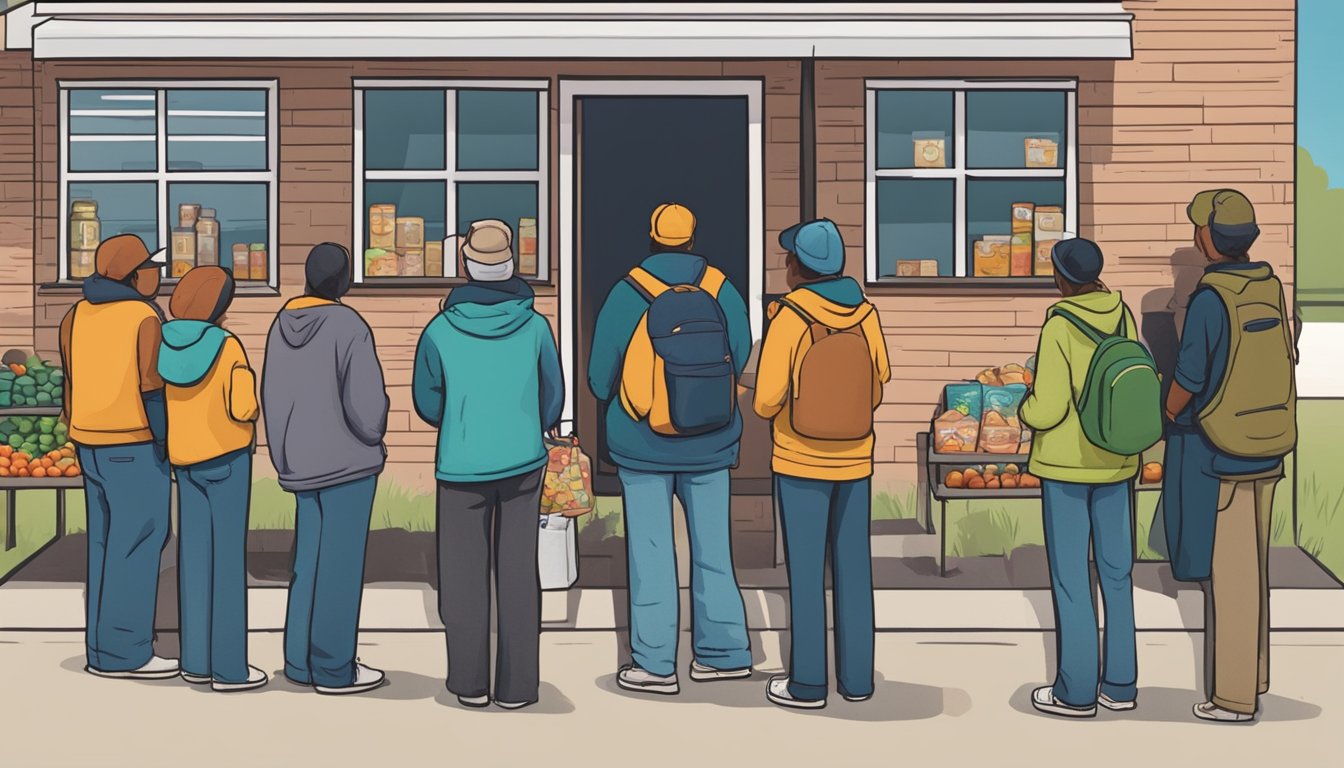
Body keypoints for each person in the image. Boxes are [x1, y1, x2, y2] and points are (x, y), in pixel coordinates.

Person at [588, 202, 753, 694]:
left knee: (652, 553)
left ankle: (656, 665)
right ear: (693, 236)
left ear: (652, 236)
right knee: (714, 551)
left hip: (642, 446)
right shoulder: (722, 288)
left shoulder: (626, 293)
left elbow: (599, 380)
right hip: (711, 440)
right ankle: (724, 654)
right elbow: (741, 358)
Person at [413, 220, 564, 710]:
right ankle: (518, 687)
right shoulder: (538, 326)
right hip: (524, 462)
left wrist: (461, 419)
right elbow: (553, 396)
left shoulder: (438, 330)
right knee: (519, 573)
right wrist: (527, 425)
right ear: (511, 267)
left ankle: (469, 683)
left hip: (461, 463)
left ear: (466, 266)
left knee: (461, 576)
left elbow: (426, 401)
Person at [1163, 190, 1296, 723]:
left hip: (1223, 454)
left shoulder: (1210, 298)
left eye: (1199, 228)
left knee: (1233, 578)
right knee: (1255, 570)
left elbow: (1189, 378)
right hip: (1268, 442)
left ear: (1210, 239)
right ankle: (1256, 672)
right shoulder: (1268, 285)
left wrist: (1167, 413)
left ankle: (1234, 698)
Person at [752, 219, 889, 710]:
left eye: (789, 259)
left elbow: (767, 400)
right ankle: (857, 681)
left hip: (800, 459)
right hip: (856, 459)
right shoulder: (866, 314)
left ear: (799, 268)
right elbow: (879, 383)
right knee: (854, 569)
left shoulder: (788, 317)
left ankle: (808, 684)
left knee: (807, 573)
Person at [262, 242, 390, 695]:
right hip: (348, 464)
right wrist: (375, 434)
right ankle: (335, 669)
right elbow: (367, 406)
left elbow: (271, 396)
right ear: (344, 280)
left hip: (300, 461)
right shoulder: (349, 325)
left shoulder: (280, 325)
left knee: (308, 562)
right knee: (340, 566)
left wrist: (283, 453)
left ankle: (299, 662)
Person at [1019, 237, 1139, 718]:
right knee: (1117, 575)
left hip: (1068, 468)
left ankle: (1075, 691)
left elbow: (1047, 410)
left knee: (1071, 577)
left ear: (1060, 277)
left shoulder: (1059, 326)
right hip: (1117, 462)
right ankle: (1122, 684)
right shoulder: (1122, 314)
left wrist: (1024, 404)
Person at [58, 235, 177, 679]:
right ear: (133, 275)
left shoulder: (75, 315)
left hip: (88, 442)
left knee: (104, 544)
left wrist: (74, 427)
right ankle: (128, 652)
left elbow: (69, 379)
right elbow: (152, 387)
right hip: (134, 443)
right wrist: (167, 442)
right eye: (151, 268)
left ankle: (101, 649)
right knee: (141, 540)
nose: (158, 276)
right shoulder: (144, 317)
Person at [157, 266, 266, 692]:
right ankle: (230, 669)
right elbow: (244, 407)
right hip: (227, 458)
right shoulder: (227, 345)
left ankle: (195, 661)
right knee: (228, 562)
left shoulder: (164, 343)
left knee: (194, 560)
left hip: (184, 461)